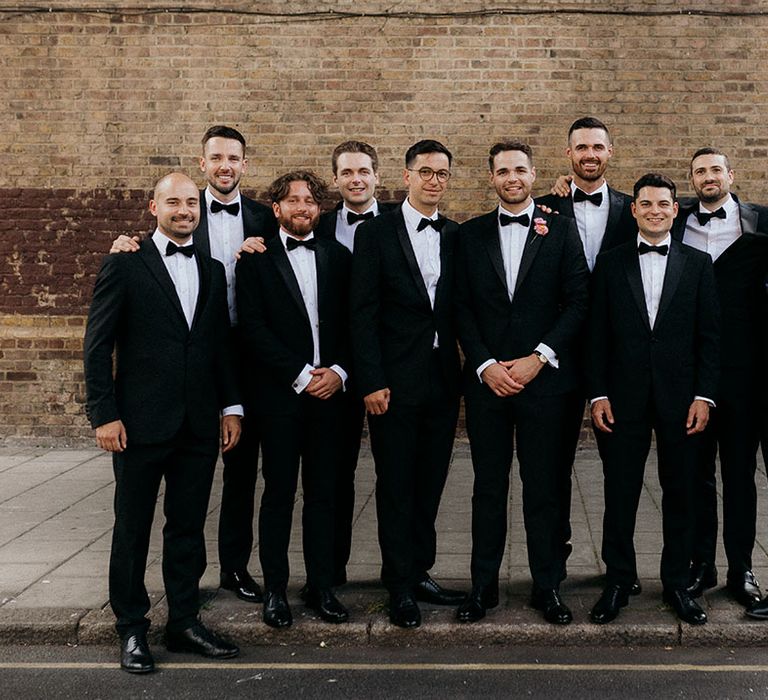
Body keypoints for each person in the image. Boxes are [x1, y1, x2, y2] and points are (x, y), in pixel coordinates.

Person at [109, 126, 277, 605]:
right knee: (147, 510)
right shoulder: (179, 209)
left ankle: (235, 567)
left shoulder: (266, 217)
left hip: (247, 355)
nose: (226, 166)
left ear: (245, 165)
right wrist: (125, 244)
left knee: (240, 471)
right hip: (175, 364)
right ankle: (140, 614)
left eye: (234, 158)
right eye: (217, 158)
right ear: (203, 164)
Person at [83, 173, 242, 673]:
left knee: (188, 529)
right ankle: (131, 629)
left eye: (191, 203)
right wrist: (104, 414)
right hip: (138, 424)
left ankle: (184, 621)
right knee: (132, 528)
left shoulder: (214, 270)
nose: (184, 210)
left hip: (198, 424)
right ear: (153, 208)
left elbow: (217, 346)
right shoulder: (125, 264)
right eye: (173, 202)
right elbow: (97, 344)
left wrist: (230, 406)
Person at [454, 141, 589, 625]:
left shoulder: (563, 231)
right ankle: (482, 588)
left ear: (533, 175)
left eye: (520, 169)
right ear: (492, 178)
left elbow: (578, 302)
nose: (512, 177)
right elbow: (460, 307)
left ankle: (547, 587)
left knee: (545, 487)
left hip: (545, 383)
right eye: (502, 170)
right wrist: (485, 363)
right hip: (488, 384)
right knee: (488, 487)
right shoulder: (468, 236)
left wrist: (539, 358)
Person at [587, 173, 719, 626]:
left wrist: (704, 395)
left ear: (675, 209)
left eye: (664, 204)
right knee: (619, 491)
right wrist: (598, 393)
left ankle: (677, 585)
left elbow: (710, 337)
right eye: (646, 204)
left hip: (682, 400)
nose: (656, 210)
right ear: (634, 210)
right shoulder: (609, 263)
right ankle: (619, 581)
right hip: (621, 398)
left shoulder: (699, 264)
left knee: (679, 491)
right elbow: (596, 335)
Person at [350, 139, 465, 629]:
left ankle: (420, 570)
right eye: (425, 172)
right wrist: (370, 381)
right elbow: (362, 313)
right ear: (406, 176)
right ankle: (398, 586)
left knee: (431, 482)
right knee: (396, 484)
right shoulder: (375, 234)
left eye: (442, 173)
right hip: (392, 385)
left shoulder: (457, 235)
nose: (434, 180)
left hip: (442, 382)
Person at [235, 171, 352, 628]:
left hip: (331, 398)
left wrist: (339, 373)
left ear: (319, 209)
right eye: (293, 201)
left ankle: (321, 586)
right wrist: (300, 374)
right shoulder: (255, 259)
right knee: (279, 494)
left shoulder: (340, 257)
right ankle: (276, 590)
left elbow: (352, 324)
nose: (303, 207)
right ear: (276, 209)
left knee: (324, 495)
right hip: (281, 398)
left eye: (310, 201)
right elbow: (253, 329)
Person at [535, 118, 637, 585]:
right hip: (556, 349)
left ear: (610, 152)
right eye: (581, 147)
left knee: (621, 469)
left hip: (616, 356)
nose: (589, 154)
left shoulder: (633, 207)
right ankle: (553, 565)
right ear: (568, 152)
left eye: (598, 146)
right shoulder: (543, 208)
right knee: (552, 466)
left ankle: (620, 568)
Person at [670, 148, 768, 612]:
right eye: (699, 172)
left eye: (715, 170)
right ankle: (699, 565)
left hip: (743, 373)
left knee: (740, 474)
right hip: (689, 373)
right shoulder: (674, 219)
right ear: (690, 181)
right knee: (694, 474)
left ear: (731, 175)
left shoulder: (762, 223)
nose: (707, 177)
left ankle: (741, 569)